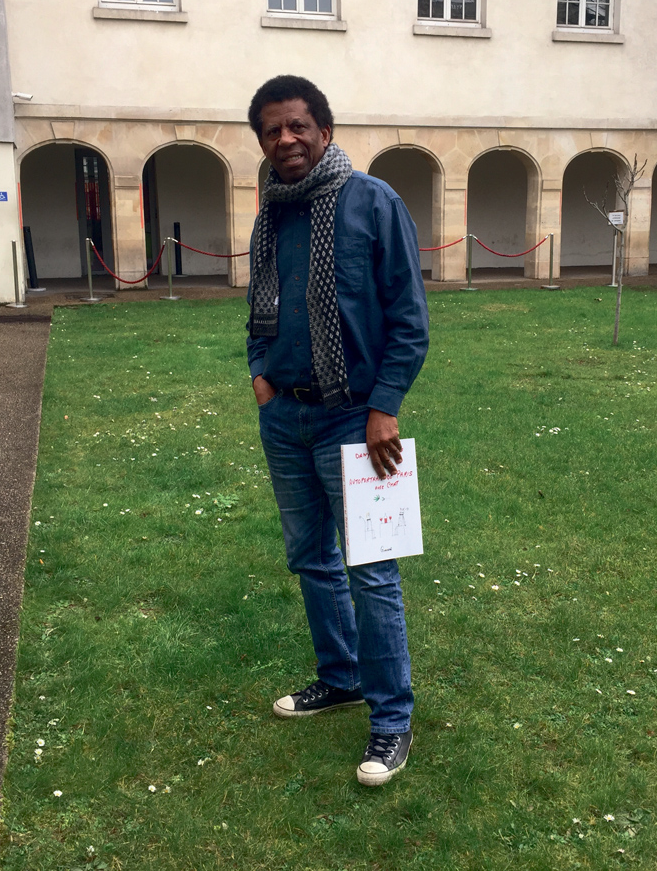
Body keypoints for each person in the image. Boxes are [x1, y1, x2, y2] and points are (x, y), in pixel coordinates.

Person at [245, 75, 429, 787]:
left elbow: (408, 318)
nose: (285, 140)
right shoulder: (271, 211)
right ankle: (341, 677)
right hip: (284, 416)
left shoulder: (371, 202)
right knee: (310, 557)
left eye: (296, 126)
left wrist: (385, 405)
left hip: (357, 419)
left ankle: (391, 720)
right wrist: (259, 372)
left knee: (372, 572)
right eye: (271, 131)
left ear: (323, 128)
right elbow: (260, 303)